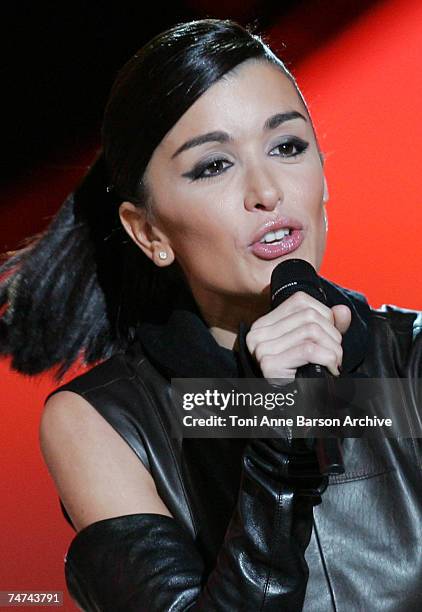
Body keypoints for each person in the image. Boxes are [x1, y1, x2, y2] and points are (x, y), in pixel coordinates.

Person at [1, 18, 421, 611]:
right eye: (213, 165)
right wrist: (279, 433)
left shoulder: (414, 359)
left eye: (287, 146)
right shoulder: (102, 423)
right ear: (148, 232)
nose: (267, 190)